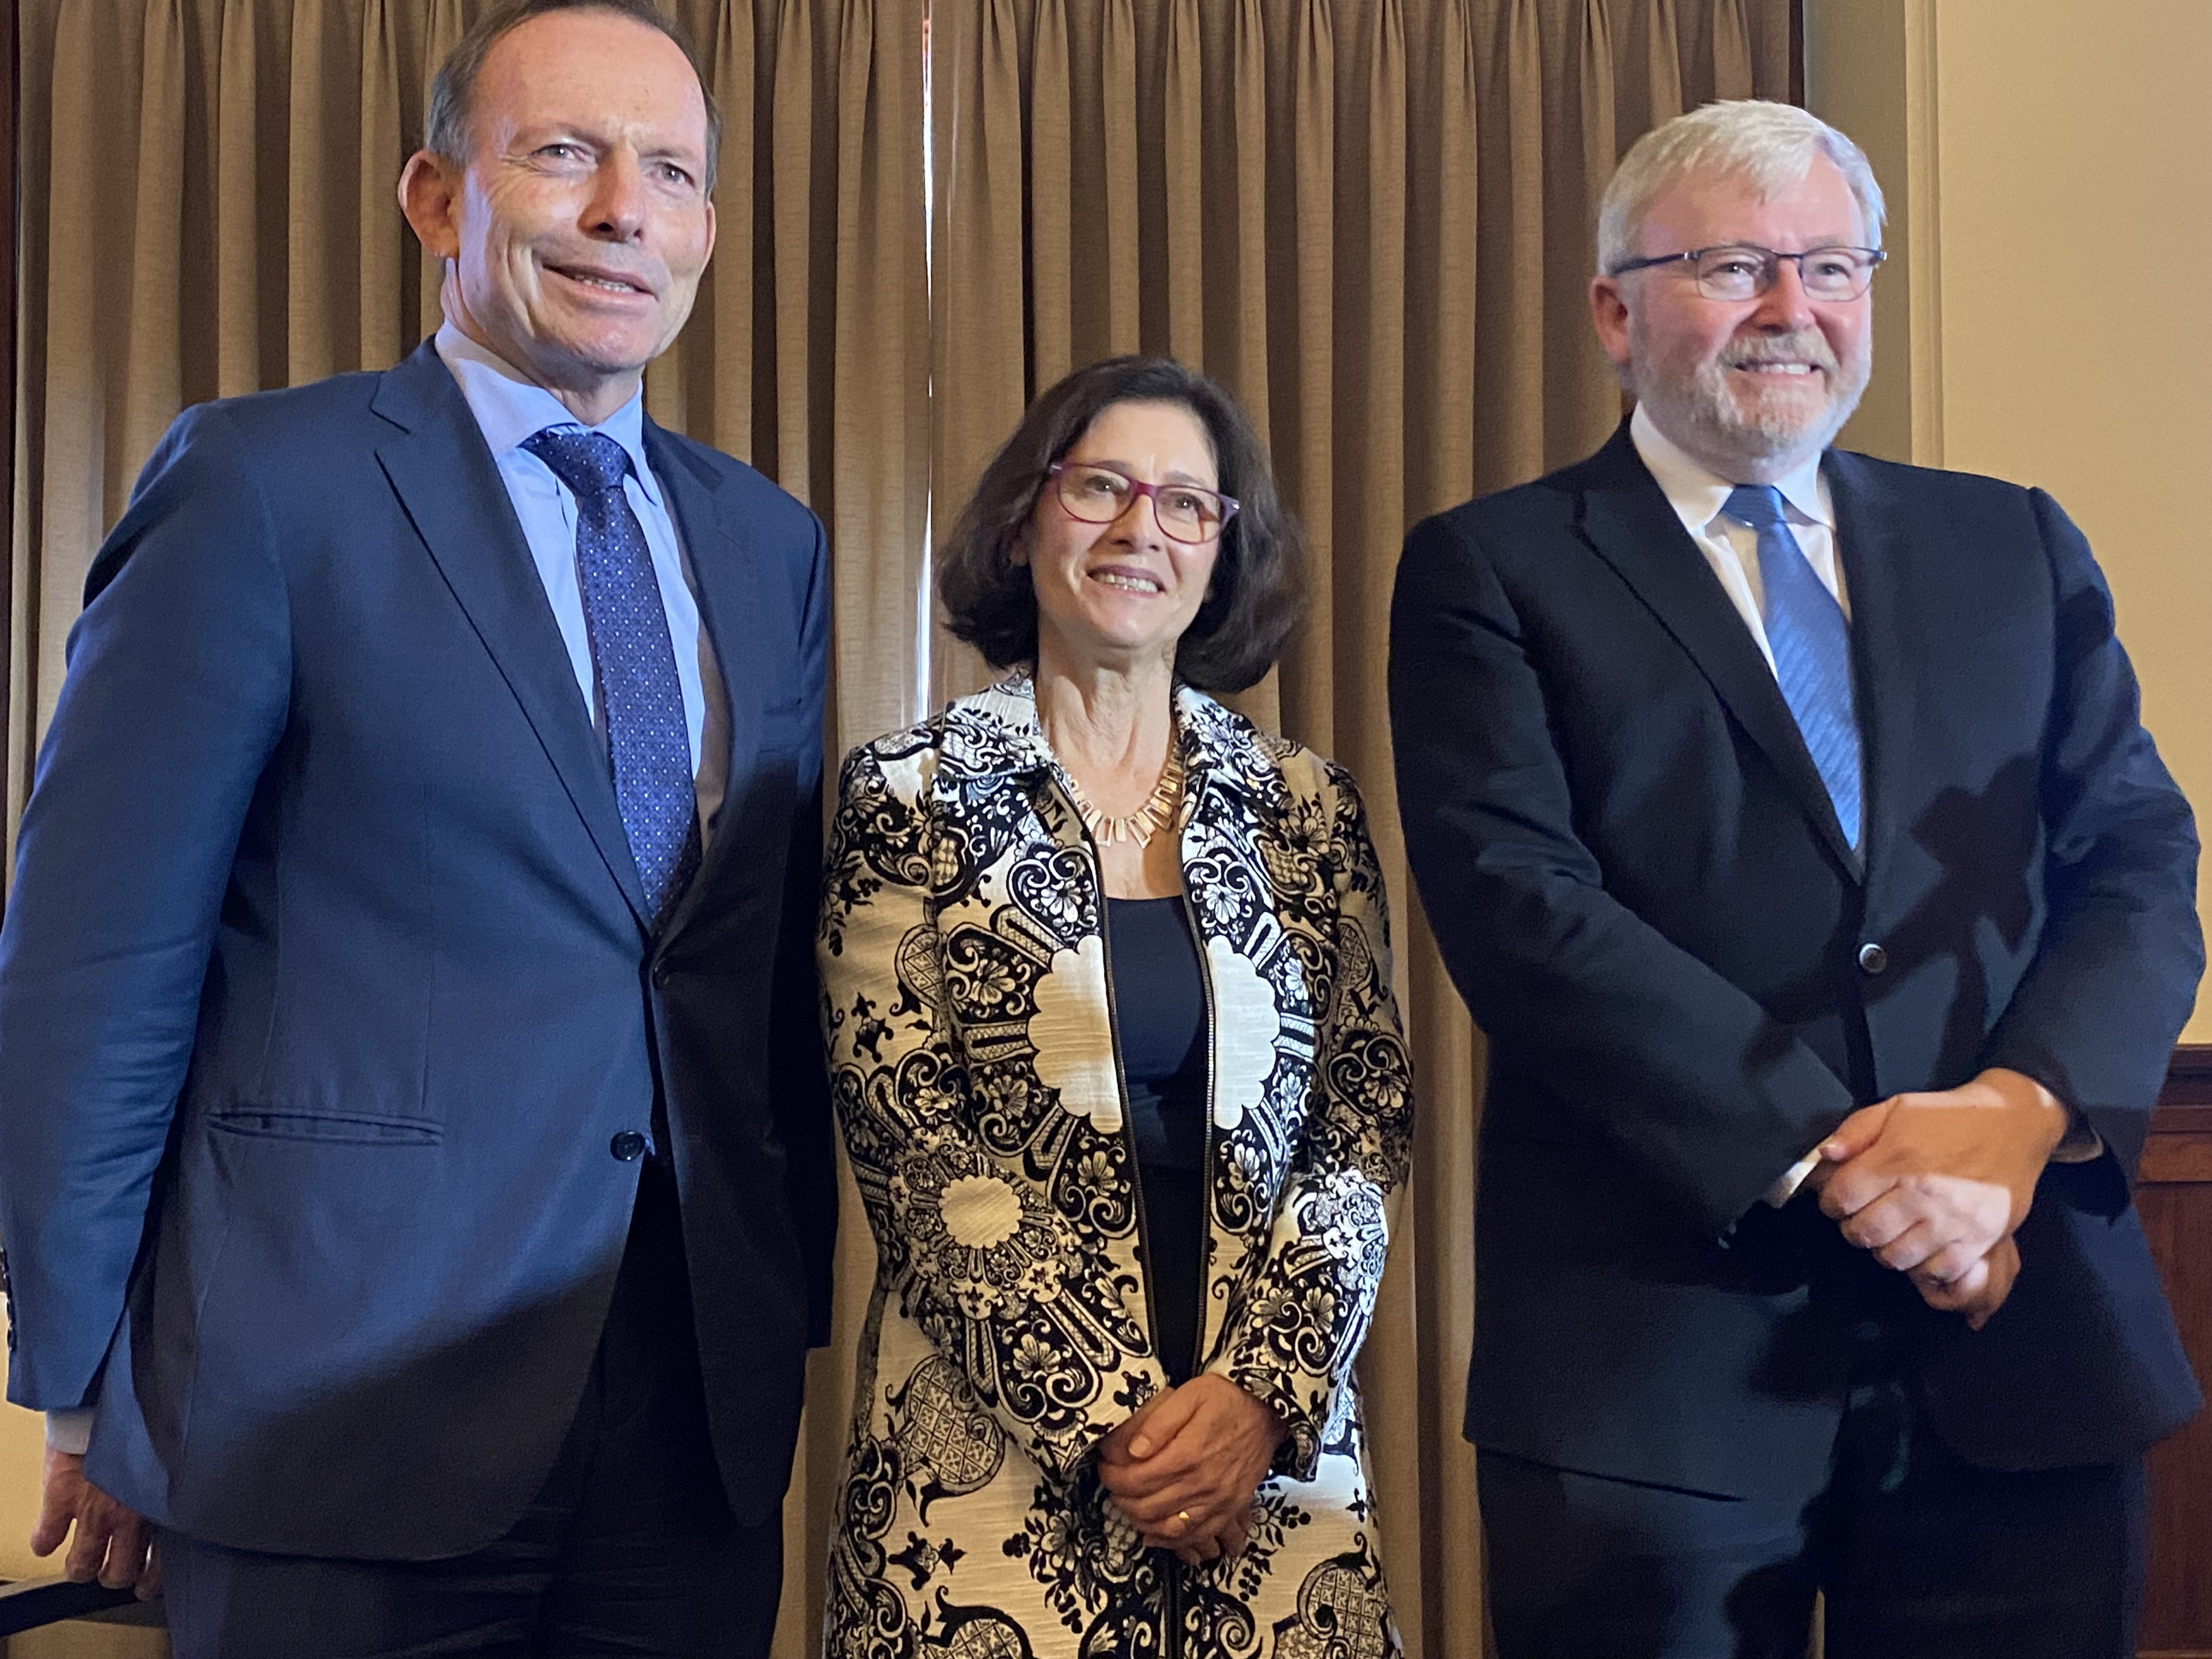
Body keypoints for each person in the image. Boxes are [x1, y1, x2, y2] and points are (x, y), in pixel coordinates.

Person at [0, 2, 833, 1654]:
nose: (622, 212)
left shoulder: (767, 542)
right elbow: (96, 961)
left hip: (689, 1424)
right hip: (326, 1408)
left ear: (710, 233)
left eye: (668, 172)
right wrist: (85, 1376)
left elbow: (749, 969)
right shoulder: (259, 487)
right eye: (564, 155)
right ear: (438, 200)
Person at [1390, 99, 2202, 1659]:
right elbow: (1522, 907)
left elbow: (2139, 857)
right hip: (1662, 1366)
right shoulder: (1495, 568)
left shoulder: (2011, 544)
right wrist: (1869, 1173)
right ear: (1615, 312)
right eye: (1732, 265)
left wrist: (2014, 1126)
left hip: (2021, 1335)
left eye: (1831, 266)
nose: (1791, 309)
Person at [817, 356, 1412, 1656]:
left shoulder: (1308, 810)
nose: (1143, 528)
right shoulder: (910, 797)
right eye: (1101, 487)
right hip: (986, 1472)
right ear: (1027, 518)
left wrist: (1259, 1399)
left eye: (1188, 504)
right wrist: (1124, 1432)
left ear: (1222, 554)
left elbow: (1362, 1122)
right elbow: (918, 1152)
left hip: (1277, 1478)